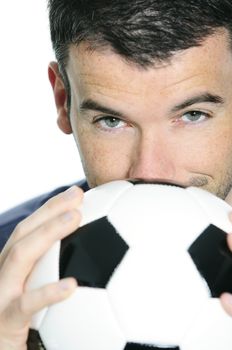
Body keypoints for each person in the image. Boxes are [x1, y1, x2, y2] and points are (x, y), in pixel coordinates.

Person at [1, 0, 232, 347]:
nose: (151, 172)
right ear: (63, 100)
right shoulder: (6, 272)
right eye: (111, 121)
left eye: (193, 115)